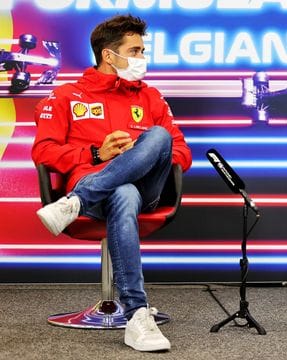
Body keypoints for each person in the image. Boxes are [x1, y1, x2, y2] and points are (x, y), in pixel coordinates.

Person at [32, 14, 192, 352]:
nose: (142, 58)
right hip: (106, 195)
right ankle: (137, 316)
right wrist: (94, 153)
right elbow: (43, 151)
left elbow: (180, 151)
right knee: (122, 191)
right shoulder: (65, 96)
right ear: (109, 55)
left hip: (147, 190)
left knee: (159, 136)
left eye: (143, 51)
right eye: (135, 51)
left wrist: (143, 158)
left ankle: (73, 202)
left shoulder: (150, 96)